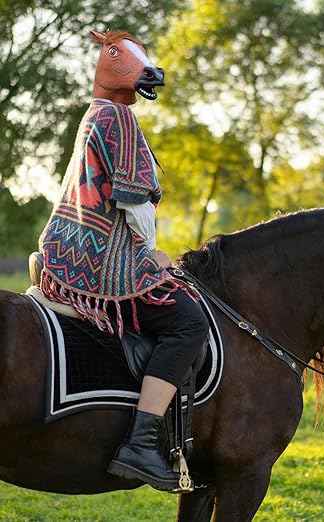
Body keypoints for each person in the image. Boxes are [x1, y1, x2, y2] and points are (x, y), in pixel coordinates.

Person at [38, 29, 209, 492]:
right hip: (100, 260)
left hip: (65, 253)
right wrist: (150, 253)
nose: (140, 67)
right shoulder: (117, 118)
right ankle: (139, 443)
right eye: (122, 56)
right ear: (108, 61)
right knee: (189, 321)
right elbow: (133, 201)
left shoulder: (94, 114)